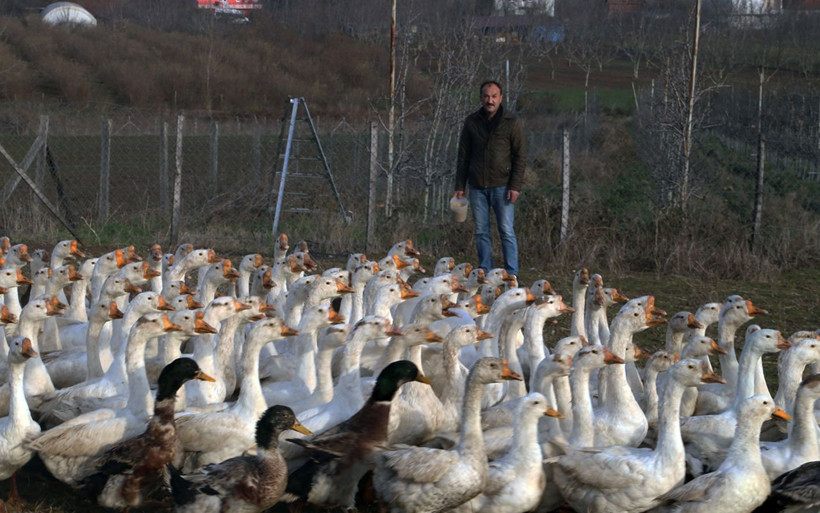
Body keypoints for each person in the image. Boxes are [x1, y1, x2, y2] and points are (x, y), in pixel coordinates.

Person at [454, 80, 526, 279]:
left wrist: (515, 186)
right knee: (481, 231)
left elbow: (520, 156)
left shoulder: (512, 122)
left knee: (506, 230)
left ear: (501, 98)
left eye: (494, 96)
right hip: (477, 186)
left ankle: (511, 274)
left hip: (503, 186)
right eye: (486, 96)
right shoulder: (471, 122)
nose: (490, 100)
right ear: (481, 98)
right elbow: (463, 155)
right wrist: (460, 185)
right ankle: (485, 271)